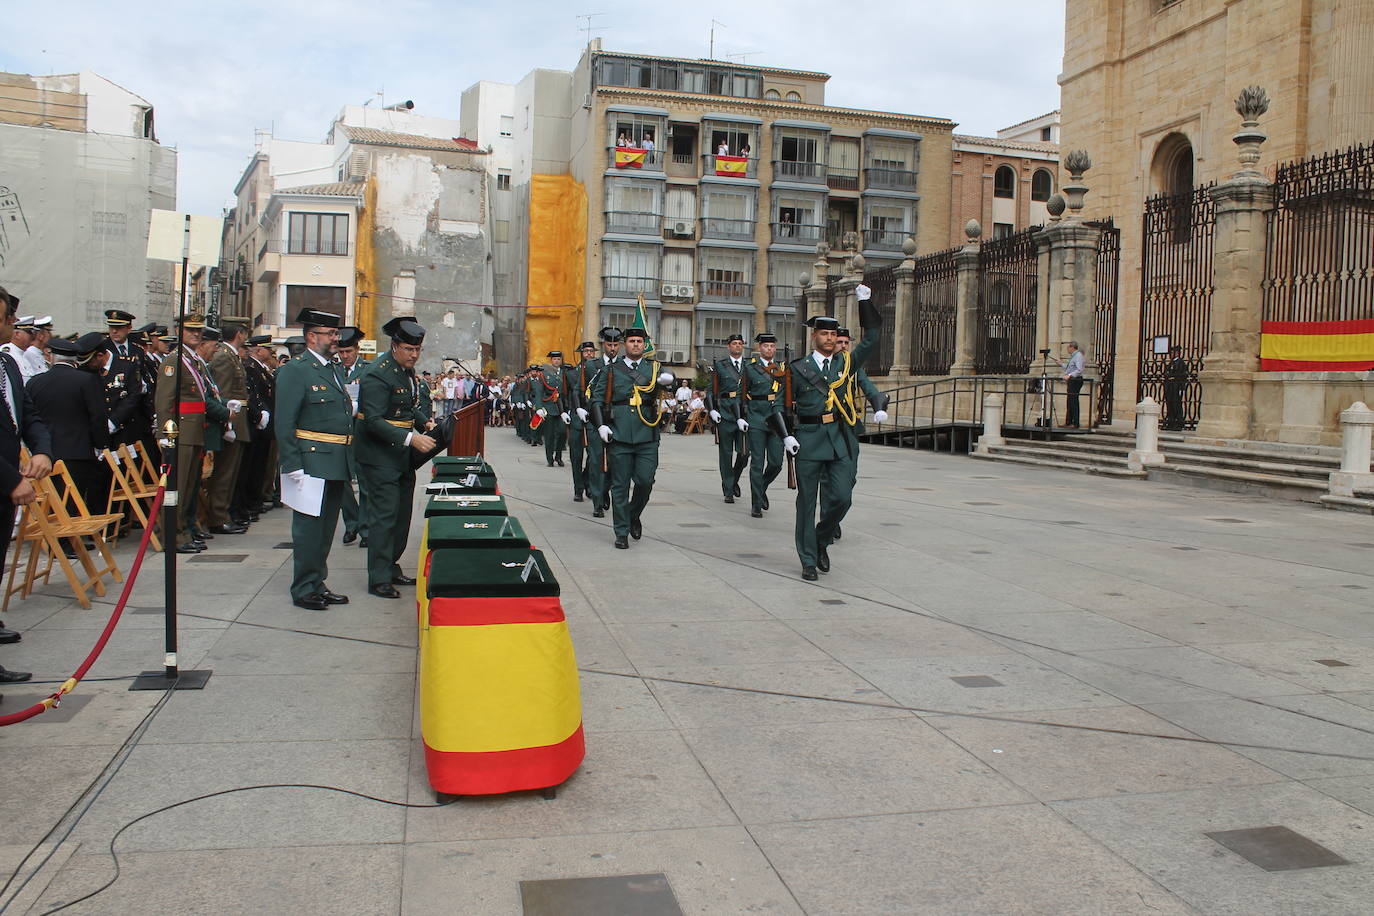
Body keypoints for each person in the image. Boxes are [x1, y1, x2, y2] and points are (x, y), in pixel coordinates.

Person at [784, 285, 881, 581]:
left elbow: (873, 337)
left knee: (842, 498)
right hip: (809, 439)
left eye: (833, 335)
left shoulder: (847, 364)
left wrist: (865, 302)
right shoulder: (798, 368)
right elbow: (783, 406)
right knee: (807, 502)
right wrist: (786, 435)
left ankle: (821, 539)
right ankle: (808, 559)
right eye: (824, 334)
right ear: (815, 336)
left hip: (840, 440)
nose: (829, 339)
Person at [275, 308, 355, 610]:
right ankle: (303, 587)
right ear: (312, 336)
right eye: (331, 334)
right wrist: (292, 464)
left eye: (336, 334)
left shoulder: (332, 368)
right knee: (308, 530)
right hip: (309, 463)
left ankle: (317, 582)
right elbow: (284, 422)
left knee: (325, 530)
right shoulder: (296, 370)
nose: (336, 339)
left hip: (334, 460)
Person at [354, 317, 436, 599]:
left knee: (401, 516)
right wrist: (412, 438)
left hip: (400, 456)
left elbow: (408, 408)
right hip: (379, 456)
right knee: (384, 518)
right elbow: (373, 421)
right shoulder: (378, 374)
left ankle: (391, 566)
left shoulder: (404, 372)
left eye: (418, 349)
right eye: (408, 348)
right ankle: (378, 578)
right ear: (394, 346)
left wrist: (426, 423)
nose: (414, 354)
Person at [0, 284, 54, 687]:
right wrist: (10, 478)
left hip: (12, 479)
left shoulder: (7, 365)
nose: (15, 324)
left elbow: (27, 413)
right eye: (7, 318)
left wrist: (41, 450)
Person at [590, 326, 673, 549]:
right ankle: (621, 531)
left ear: (645, 345)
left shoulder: (654, 368)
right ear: (624, 344)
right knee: (620, 485)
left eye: (639, 341)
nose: (636, 344)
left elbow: (668, 385)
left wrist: (668, 381)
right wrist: (601, 426)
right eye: (632, 341)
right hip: (619, 433)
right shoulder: (611, 370)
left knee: (645, 481)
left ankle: (633, 515)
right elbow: (596, 400)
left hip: (647, 434)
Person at [154, 312, 228, 554]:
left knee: (189, 487)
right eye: (190, 330)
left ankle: (184, 528)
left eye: (198, 331)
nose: (196, 334)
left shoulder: (192, 360)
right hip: (180, 432)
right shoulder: (173, 362)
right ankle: (171, 535)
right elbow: (164, 401)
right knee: (177, 486)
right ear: (179, 332)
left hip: (194, 430)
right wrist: (166, 435)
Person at [27, 333, 111, 517]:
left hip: (45, 451)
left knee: (52, 501)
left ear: (51, 356)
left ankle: (55, 543)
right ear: (76, 359)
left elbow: (29, 416)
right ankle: (69, 543)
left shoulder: (35, 382)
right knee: (74, 501)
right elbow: (97, 417)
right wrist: (100, 445)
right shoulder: (86, 381)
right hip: (78, 450)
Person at [828, 327, 889, 540]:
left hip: (849, 428)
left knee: (849, 478)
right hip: (826, 429)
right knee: (829, 479)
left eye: (847, 343)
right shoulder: (822, 366)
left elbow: (869, 387)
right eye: (840, 342)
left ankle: (832, 516)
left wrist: (879, 405)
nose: (843, 346)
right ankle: (830, 520)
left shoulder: (854, 369)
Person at [204, 320, 251, 534]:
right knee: (224, 473)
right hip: (231, 417)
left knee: (231, 473)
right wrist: (227, 423)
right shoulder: (224, 356)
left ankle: (223, 513)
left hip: (237, 417)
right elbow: (221, 394)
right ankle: (217, 516)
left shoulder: (229, 355)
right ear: (239, 334)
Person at [742, 332, 789, 518]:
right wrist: (742, 416)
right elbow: (743, 392)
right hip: (757, 417)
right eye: (765, 346)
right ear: (759, 348)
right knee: (757, 462)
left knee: (776, 462)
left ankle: (761, 487)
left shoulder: (782, 368)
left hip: (776, 419)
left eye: (772, 346)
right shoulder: (750, 368)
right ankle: (756, 503)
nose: (769, 349)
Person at [233, 333, 275, 528]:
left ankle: (253, 502)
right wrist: (259, 414)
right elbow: (253, 395)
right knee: (249, 468)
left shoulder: (261, 369)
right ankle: (248, 504)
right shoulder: (251, 368)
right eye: (267, 348)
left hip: (262, 424)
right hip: (253, 424)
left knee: (259, 466)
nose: (271, 352)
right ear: (259, 350)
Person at [334, 326, 369, 546]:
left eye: (349, 352)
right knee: (341, 481)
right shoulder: (333, 370)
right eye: (341, 352)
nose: (345, 356)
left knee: (365, 482)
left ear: (357, 349)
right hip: (339, 432)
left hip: (361, 431)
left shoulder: (368, 369)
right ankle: (351, 522)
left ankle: (366, 528)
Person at [581, 327, 621, 516]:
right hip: (595, 419)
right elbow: (584, 391)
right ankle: (597, 501)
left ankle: (605, 490)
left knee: (615, 462)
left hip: (618, 420)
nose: (612, 348)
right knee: (596, 462)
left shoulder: (624, 365)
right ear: (603, 345)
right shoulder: (591, 366)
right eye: (608, 344)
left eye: (615, 344)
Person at [706, 333, 748, 503]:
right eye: (734, 343)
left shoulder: (750, 366)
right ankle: (728, 488)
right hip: (725, 412)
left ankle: (734, 478)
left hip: (744, 412)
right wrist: (712, 410)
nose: (737, 346)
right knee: (726, 453)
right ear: (729, 347)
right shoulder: (721, 366)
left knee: (745, 453)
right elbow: (710, 390)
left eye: (740, 343)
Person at [561, 341, 598, 503]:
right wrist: (565, 411)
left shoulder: (599, 371)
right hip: (576, 416)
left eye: (591, 351)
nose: (589, 354)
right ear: (581, 353)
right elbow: (564, 394)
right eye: (586, 351)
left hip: (594, 417)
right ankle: (578, 489)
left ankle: (587, 482)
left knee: (594, 456)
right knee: (576, 456)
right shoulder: (571, 373)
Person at [533, 351, 567, 467]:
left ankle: (558, 456)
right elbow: (539, 392)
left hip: (562, 407)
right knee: (549, 434)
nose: (556, 361)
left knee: (562, 432)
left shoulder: (564, 373)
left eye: (558, 359)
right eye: (554, 359)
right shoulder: (544, 374)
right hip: (549, 407)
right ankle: (550, 458)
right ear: (551, 361)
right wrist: (539, 407)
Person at [1, 316, 44, 383]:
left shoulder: (24, 354)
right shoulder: (8, 352)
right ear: (17, 334)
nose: (32, 336)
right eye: (30, 333)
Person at [1163, 344, 1189, 431]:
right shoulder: (1171, 362)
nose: (1172, 353)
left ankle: (1178, 423)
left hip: (1176, 386)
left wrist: (1182, 388)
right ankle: (1170, 422)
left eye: (1174, 352)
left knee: (1176, 404)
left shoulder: (1181, 363)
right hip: (1170, 386)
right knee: (1169, 404)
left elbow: (1183, 376)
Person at [1062, 339, 1085, 428]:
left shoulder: (1078, 355)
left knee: (1074, 401)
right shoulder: (1073, 356)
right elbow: (1070, 368)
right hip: (1072, 380)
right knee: (1070, 401)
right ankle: (1068, 422)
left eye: (1068, 347)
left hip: (1075, 380)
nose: (1067, 349)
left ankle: (1075, 423)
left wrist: (1069, 375)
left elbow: (1079, 370)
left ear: (1072, 347)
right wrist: (1061, 364)